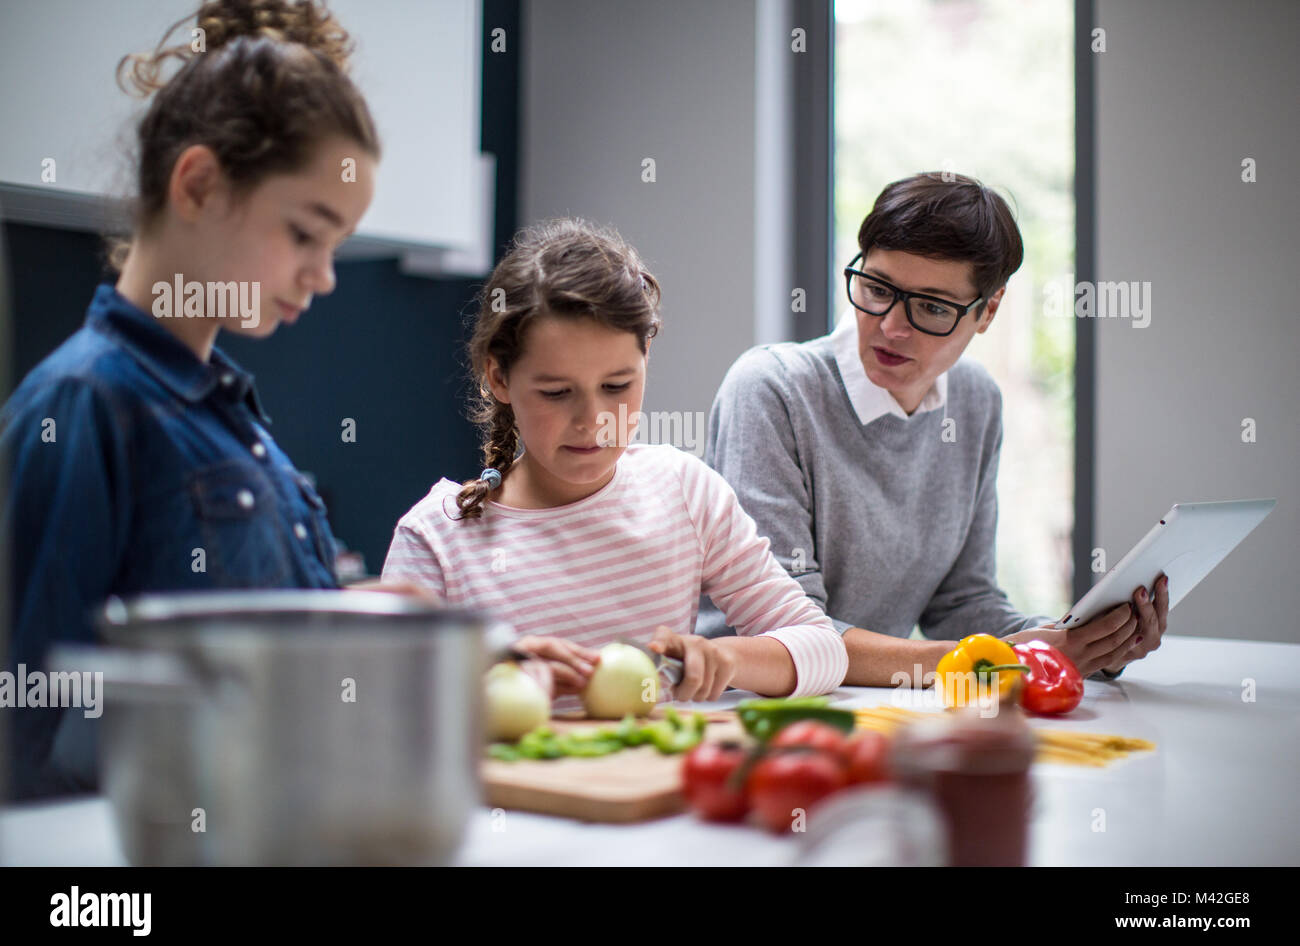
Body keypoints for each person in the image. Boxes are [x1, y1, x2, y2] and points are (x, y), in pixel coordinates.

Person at [1, 0, 380, 798]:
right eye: (307, 234)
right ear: (200, 184)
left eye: (337, 246)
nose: (324, 276)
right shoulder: (81, 404)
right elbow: (27, 728)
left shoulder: (234, 424)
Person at [700, 172, 1167, 686]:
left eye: (931, 307)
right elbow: (789, 634)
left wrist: (1087, 643)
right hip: (741, 704)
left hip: (871, 705)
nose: (891, 326)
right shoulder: (773, 390)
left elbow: (962, 603)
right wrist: (1014, 659)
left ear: (988, 310)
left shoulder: (974, 400)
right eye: (877, 288)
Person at [381, 219, 848, 701]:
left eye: (616, 386)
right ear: (499, 378)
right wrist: (498, 672)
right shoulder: (436, 539)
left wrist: (728, 657)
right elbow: (384, 704)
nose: (593, 420)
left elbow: (824, 651)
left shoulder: (685, 490)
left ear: (645, 356)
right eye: (557, 392)